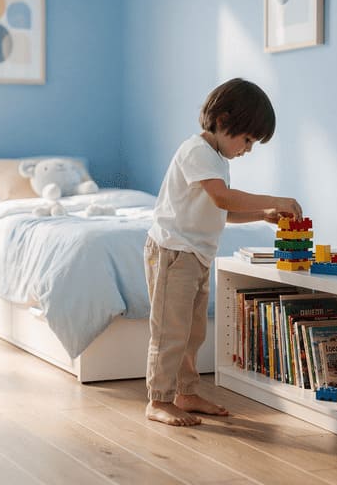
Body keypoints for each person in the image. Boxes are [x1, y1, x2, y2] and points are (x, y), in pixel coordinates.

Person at [144, 78, 303, 426]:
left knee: (192, 333)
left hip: (196, 255)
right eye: (247, 139)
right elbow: (224, 198)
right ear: (222, 120)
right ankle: (158, 399)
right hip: (174, 252)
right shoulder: (196, 151)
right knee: (171, 332)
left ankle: (184, 393)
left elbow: (223, 210)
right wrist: (275, 199)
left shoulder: (216, 160)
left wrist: (262, 215)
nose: (248, 148)